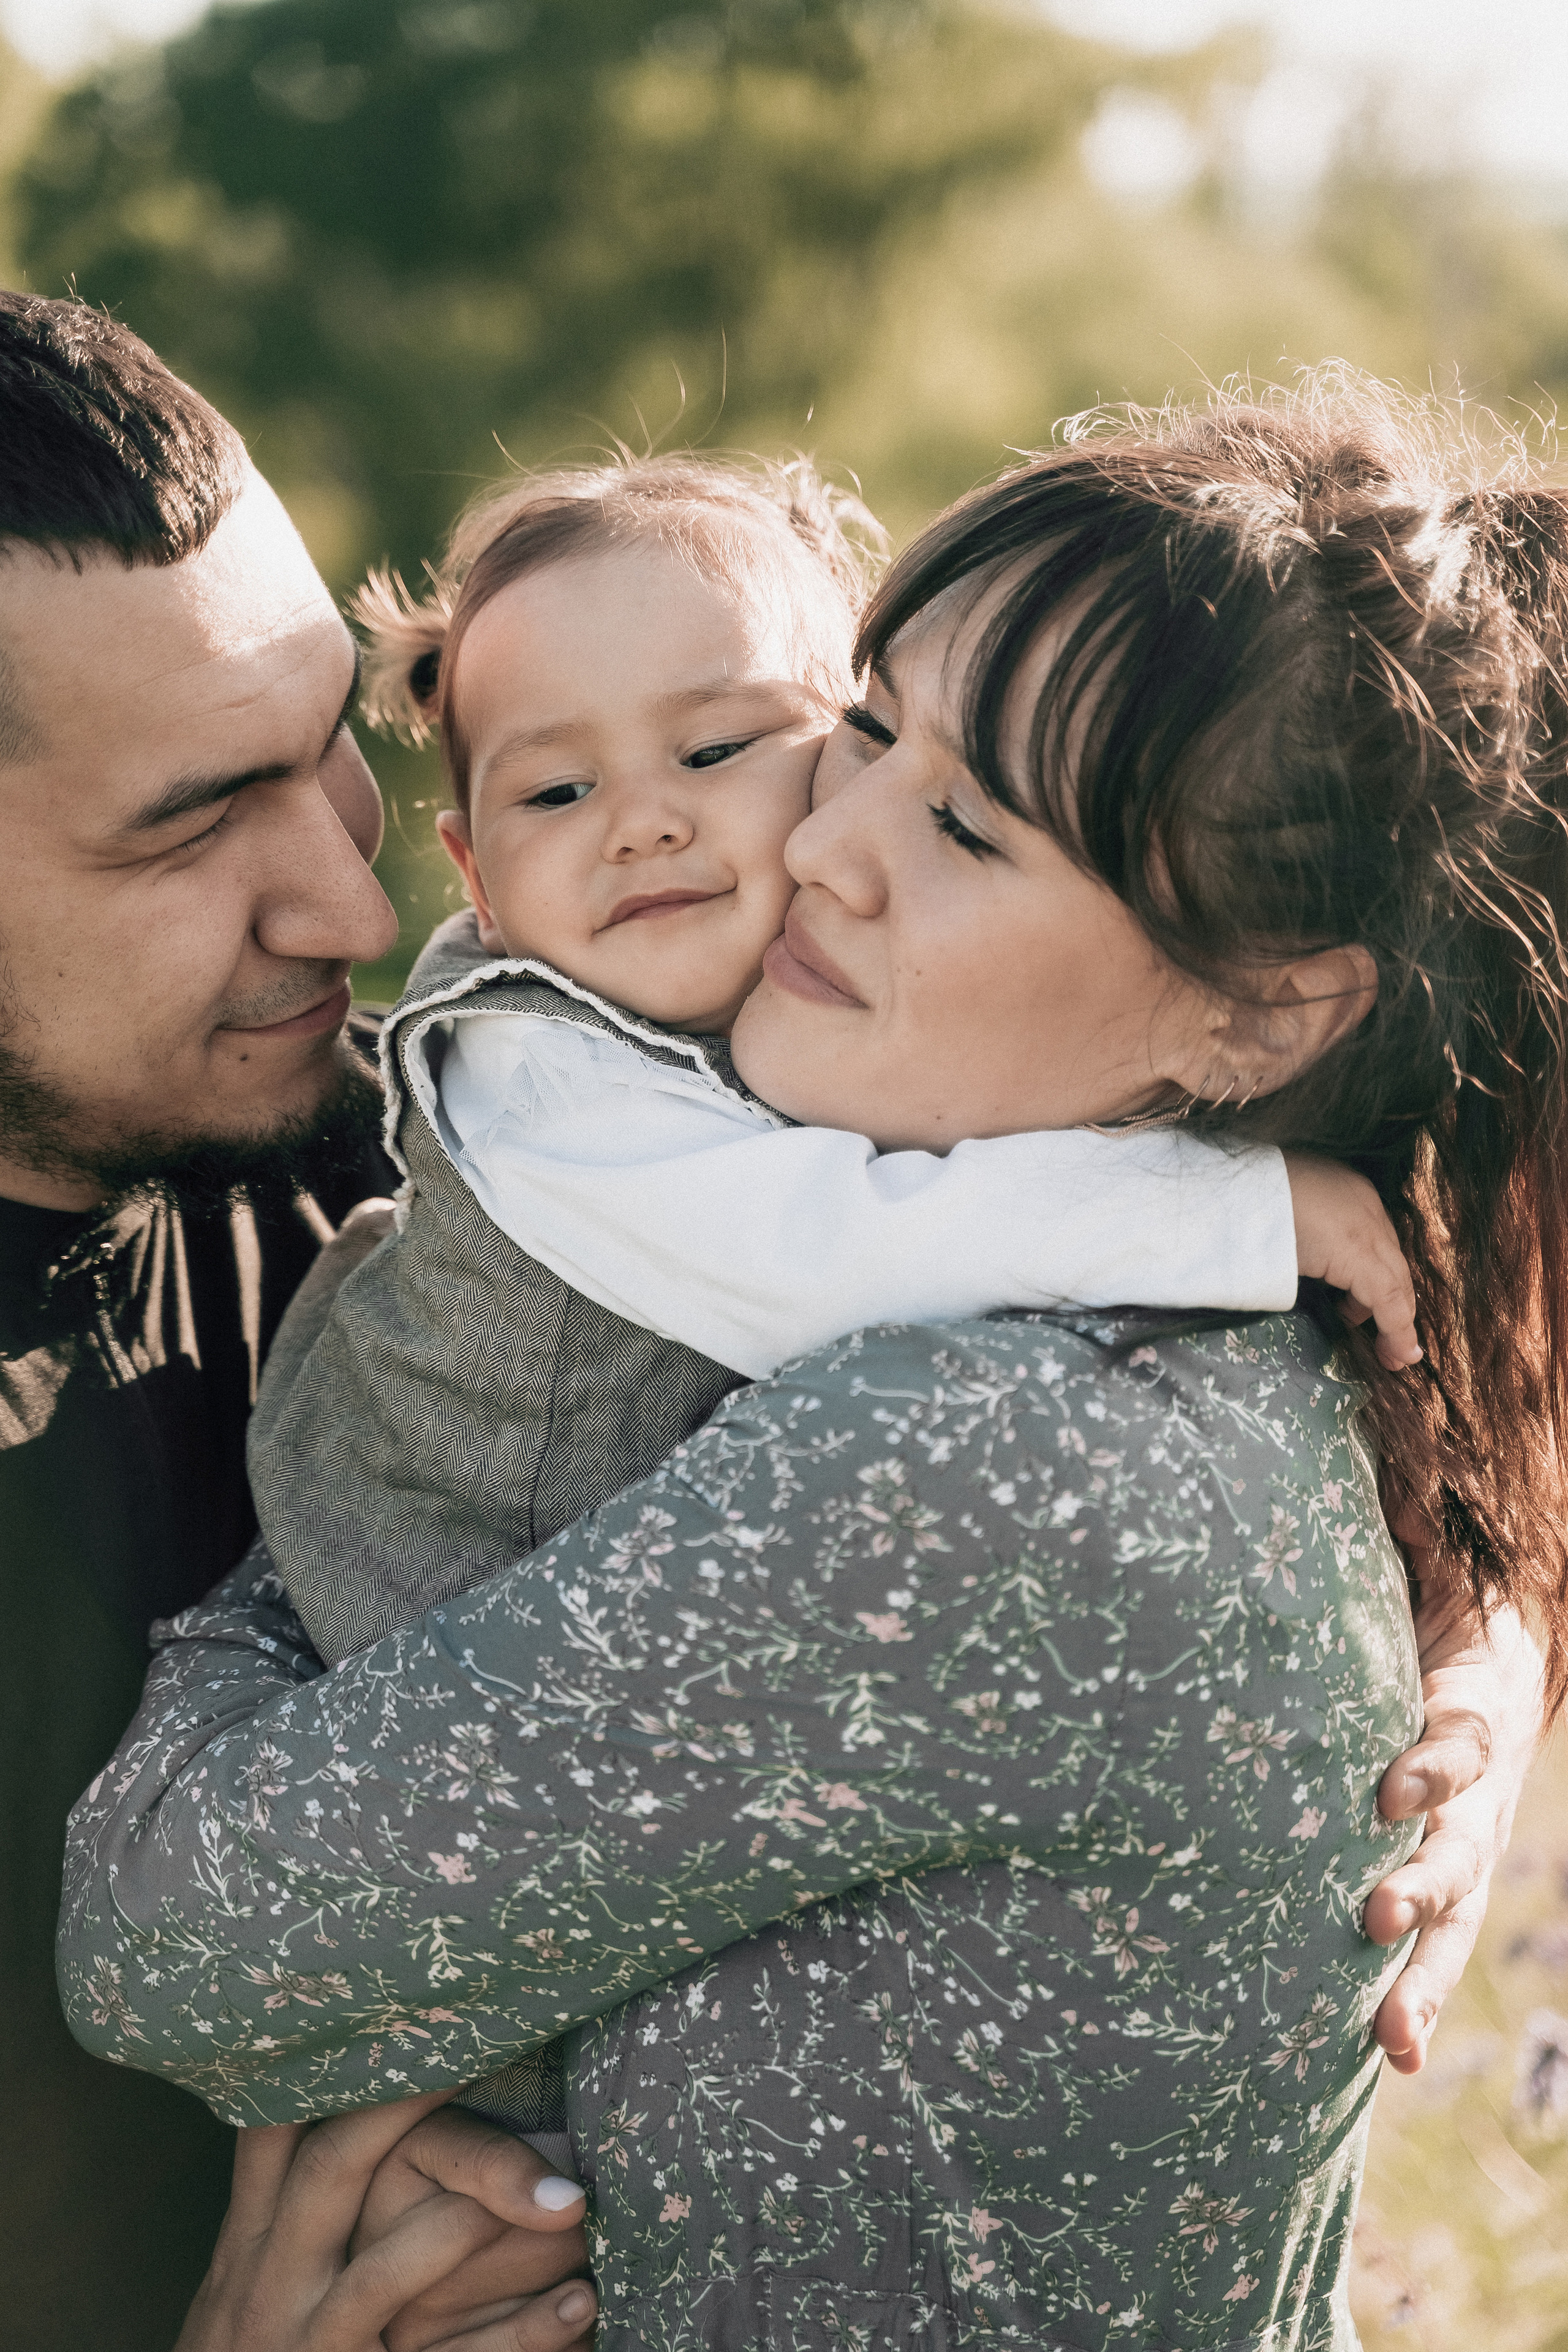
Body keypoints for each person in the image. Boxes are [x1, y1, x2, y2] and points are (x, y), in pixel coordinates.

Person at [59, 380, 1563, 2350]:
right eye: (867, 727)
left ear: (1266, 1009)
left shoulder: (990, 1447)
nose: (826, 844)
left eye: (958, 821)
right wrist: (1503, 1624)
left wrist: (264, 1601)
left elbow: (174, 1948)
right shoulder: (1232, 1347)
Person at [0, 292, 592, 2348]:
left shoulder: (432, 1153)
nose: (355, 905)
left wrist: (1465, 1680)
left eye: (331, 737)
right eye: (187, 823)